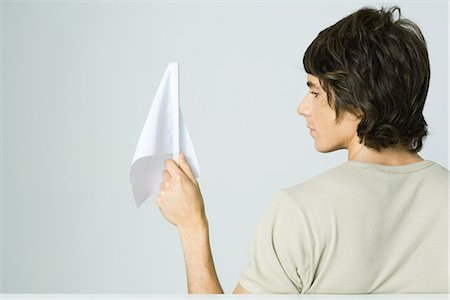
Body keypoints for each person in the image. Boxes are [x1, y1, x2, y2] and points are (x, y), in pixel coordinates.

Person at [156, 6, 449, 294]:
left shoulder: (301, 211)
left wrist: (192, 226)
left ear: (360, 99)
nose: (303, 108)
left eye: (315, 91)